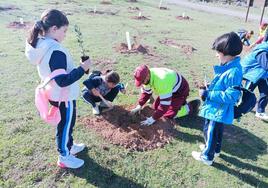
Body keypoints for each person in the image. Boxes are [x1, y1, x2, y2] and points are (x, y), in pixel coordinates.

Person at [25, 9, 91, 169]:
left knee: (67, 124)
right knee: (65, 125)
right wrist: (82, 69)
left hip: (56, 94)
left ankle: (69, 145)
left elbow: (59, 75)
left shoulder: (41, 44)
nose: (65, 35)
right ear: (54, 28)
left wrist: (81, 68)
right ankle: (64, 156)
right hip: (63, 96)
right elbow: (63, 81)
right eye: (64, 31)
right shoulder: (55, 50)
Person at [192, 32, 243, 166]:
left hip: (218, 109)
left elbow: (231, 96)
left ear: (226, 53)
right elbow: (223, 86)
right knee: (217, 131)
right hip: (218, 108)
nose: (216, 55)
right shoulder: (229, 67)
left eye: (218, 52)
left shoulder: (233, 71)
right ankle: (215, 150)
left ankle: (207, 157)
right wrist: (209, 87)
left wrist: (208, 94)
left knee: (210, 130)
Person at [130, 65, 200, 126]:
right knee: (155, 108)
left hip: (180, 91)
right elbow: (146, 93)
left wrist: (152, 119)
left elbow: (164, 105)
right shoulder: (147, 77)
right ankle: (180, 104)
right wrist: (139, 105)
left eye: (142, 81)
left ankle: (191, 107)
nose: (142, 83)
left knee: (169, 115)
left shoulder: (161, 80)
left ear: (147, 75)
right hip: (168, 89)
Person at [241, 32, 268, 121]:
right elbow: (266, 65)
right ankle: (239, 106)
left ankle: (260, 111)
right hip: (251, 74)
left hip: (261, 74)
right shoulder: (263, 51)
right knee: (247, 92)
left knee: (265, 93)